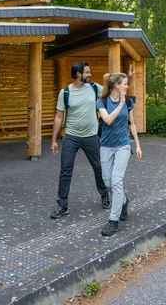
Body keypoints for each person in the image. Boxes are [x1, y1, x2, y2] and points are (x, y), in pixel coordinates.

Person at [50, 62, 109, 219]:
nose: (90, 74)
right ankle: (62, 205)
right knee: (65, 170)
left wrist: (126, 79)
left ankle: (105, 195)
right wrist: (53, 140)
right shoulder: (66, 92)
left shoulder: (95, 88)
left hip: (91, 136)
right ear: (78, 74)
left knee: (98, 167)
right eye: (87, 72)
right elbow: (58, 116)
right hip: (71, 137)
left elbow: (112, 93)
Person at [97, 72, 142, 236]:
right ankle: (123, 201)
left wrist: (137, 145)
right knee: (107, 181)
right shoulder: (101, 102)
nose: (127, 86)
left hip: (123, 145)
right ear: (117, 85)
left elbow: (132, 123)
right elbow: (107, 120)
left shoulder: (128, 101)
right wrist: (120, 103)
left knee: (116, 181)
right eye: (125, 83)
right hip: (106, 146)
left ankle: (113, 220)